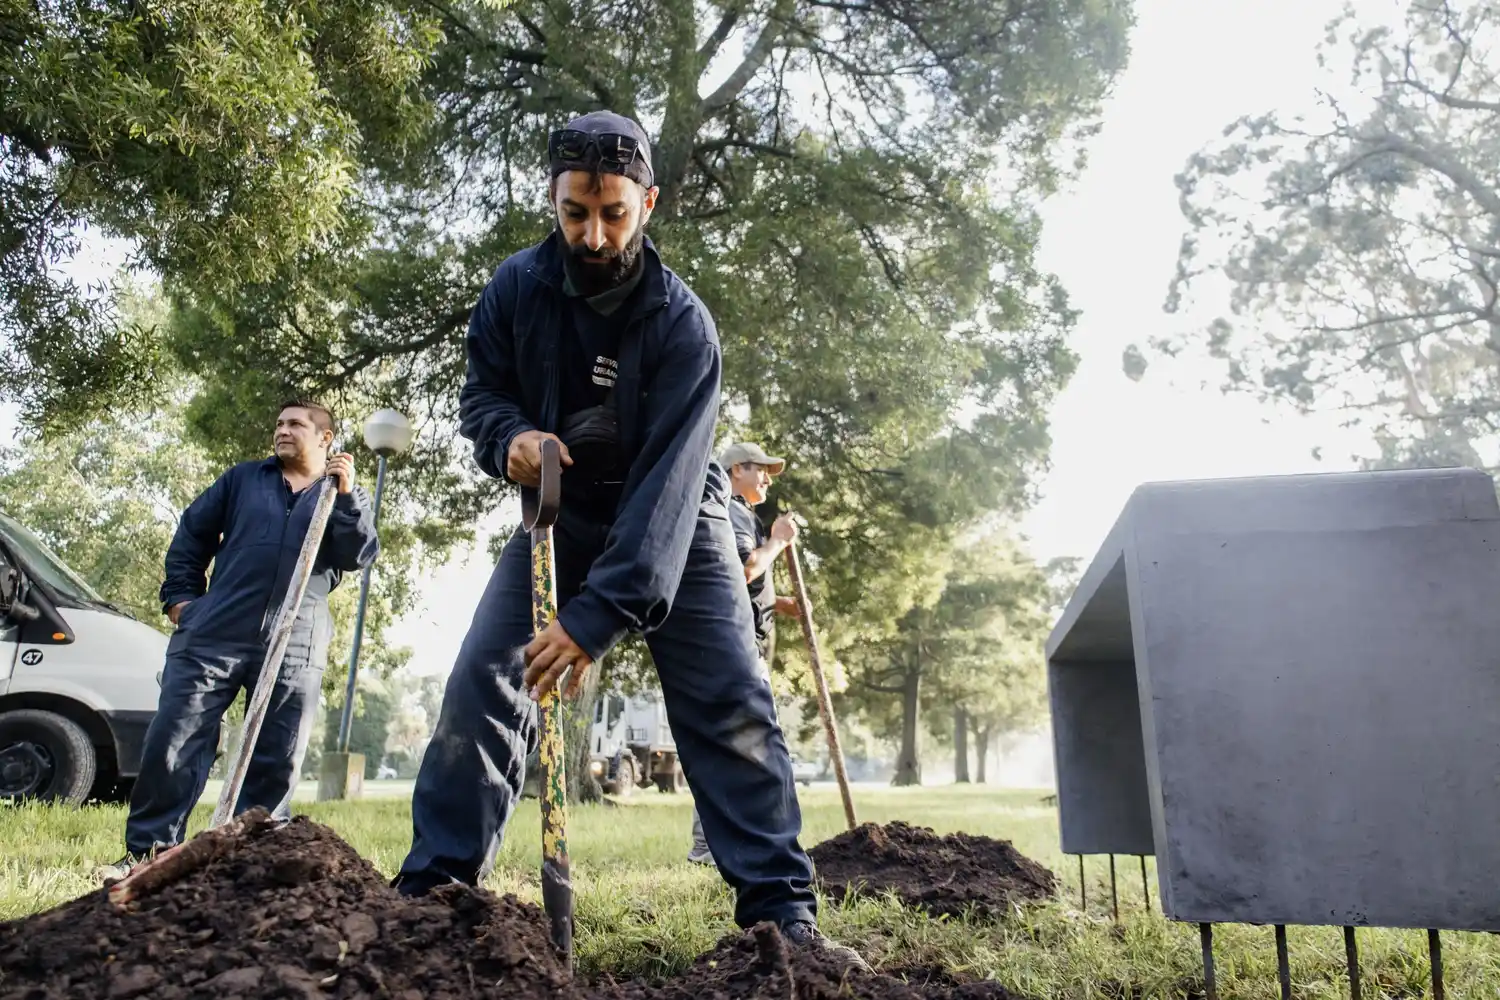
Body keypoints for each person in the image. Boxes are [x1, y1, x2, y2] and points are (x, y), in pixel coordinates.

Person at [393, 110, 863, 966]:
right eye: (576, 212)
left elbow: (668, 495)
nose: (594, 233)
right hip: (561, 519)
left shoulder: (686, 327)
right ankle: (433, 893)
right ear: (554, 200)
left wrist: (595, 620)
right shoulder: (514, 289)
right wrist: (510, 440)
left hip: (679, 528)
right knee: (481, 683)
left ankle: (781, 915)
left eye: (613, 212)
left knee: (730, 704)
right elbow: (481, 397)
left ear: (647, 201)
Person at [96, 399, 380, 881]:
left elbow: (359, 554)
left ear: (325, 438)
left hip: (296, 638)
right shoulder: (244, 479)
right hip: (216, 631)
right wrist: (182, 602)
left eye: (295, 424)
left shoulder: (340, 494)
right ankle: (148, 855)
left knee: (277, 755)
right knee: (175, 738)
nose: (283, 430)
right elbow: (191, 535)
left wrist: (348, 495)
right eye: (279, 423)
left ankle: (250, 864)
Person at [687, 441, 803, 866]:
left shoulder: (743, 514)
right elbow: (744, 567)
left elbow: (748, 583)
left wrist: (783, 603)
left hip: (746, 640)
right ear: (737, 471)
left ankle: (710, 845)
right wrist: (777, 542)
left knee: (740, 744)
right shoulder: (731, 509)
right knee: (744, 745)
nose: (768, 478)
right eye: (761, 470)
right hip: (737, 644)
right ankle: (708, 846)